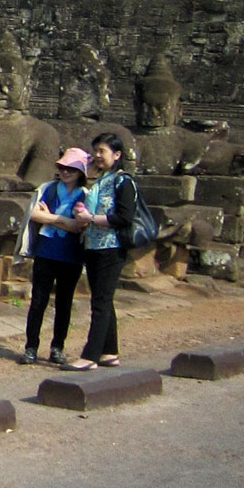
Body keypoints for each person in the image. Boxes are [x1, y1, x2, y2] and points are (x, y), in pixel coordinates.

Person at [65, 132, 142, 371]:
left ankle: (90, 355)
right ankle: (109, 351)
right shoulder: (100, 181)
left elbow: (124, 217)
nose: (97, 156)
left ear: (117, 155)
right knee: (103, 300)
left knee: (101, 301)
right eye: (95, 151)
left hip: (112, 246)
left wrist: (92, 218)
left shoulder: (123, 181)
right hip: (94, 245)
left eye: (103, 151)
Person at [20, 147, 90, 364]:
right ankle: (31, 347)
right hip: (46, 251)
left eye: (71, 168)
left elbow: (81, 226)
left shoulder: (86, 195)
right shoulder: (47, 188)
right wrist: (62, 220)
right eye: (62, 167)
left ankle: (57, 346)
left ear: (80, 172)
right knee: (38, 301)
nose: (66, 172)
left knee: (64, 302)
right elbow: (32, 214)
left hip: (71, 254)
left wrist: (49, 216)